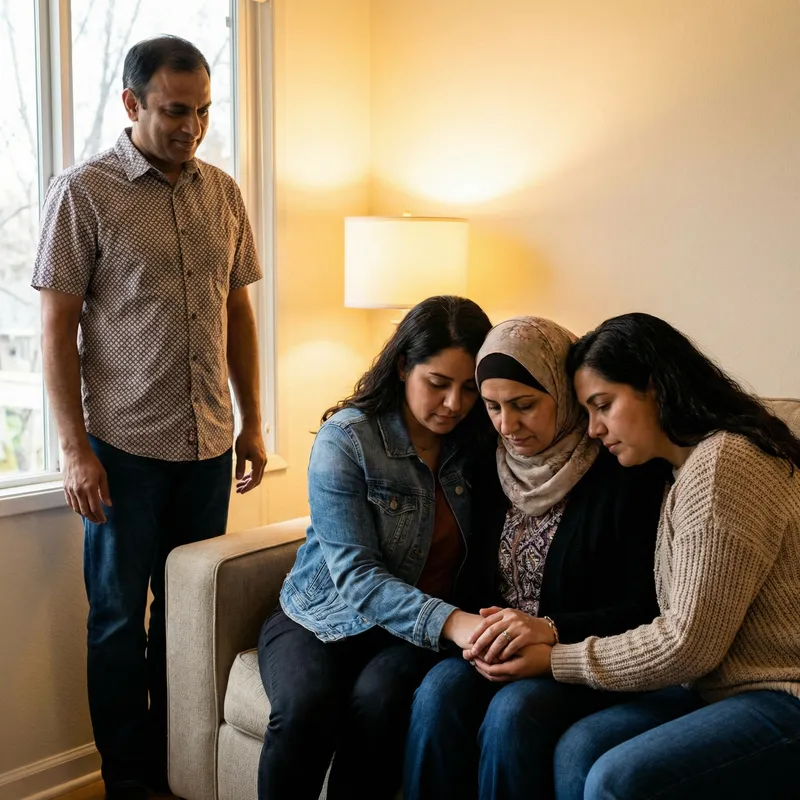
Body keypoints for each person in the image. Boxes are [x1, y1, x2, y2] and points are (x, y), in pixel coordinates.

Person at [32, 35, 266, 800]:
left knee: (188, 620)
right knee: (115, 624)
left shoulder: (223, 193)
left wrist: (253, 421)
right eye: (175, 110)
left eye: (202, 111)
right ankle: (130, 783)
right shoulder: (84, 192)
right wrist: (74, 452)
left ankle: (182, 768)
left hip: (206, 445)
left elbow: (238, 311)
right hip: (121, 450)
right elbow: (54, 334)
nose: (191, 126)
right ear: (132, 104)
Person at [474, 312, 800, 799]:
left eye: (602, 405)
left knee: (617, 778)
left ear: (654, 387)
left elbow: (687, 644)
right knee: (580, 746)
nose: (592, 429)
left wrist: (555, 658)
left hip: (781, 693)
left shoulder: (725, 464)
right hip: (712, 689)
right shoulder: (681, 471)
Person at [403, 316, 670, 800]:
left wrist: (549, 631)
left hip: (578, 655)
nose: (508, 425)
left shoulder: (625, 468)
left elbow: (646, 607)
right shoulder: (486, 464)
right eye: (493, 407)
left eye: (524, 405)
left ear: (563, 394)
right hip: (499, 648)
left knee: (514, 711)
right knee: (439, 689)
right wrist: (489, 632)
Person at [257, 295, 496, 800]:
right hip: (322, 616)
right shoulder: (346, 439)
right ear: (404, 364)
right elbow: (356, 574)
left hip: (410, 632)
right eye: (438, 384)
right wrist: (457, 623)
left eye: (469, 389)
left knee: (379, 701)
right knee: (305, 708)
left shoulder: (480, 446)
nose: (454, 404)